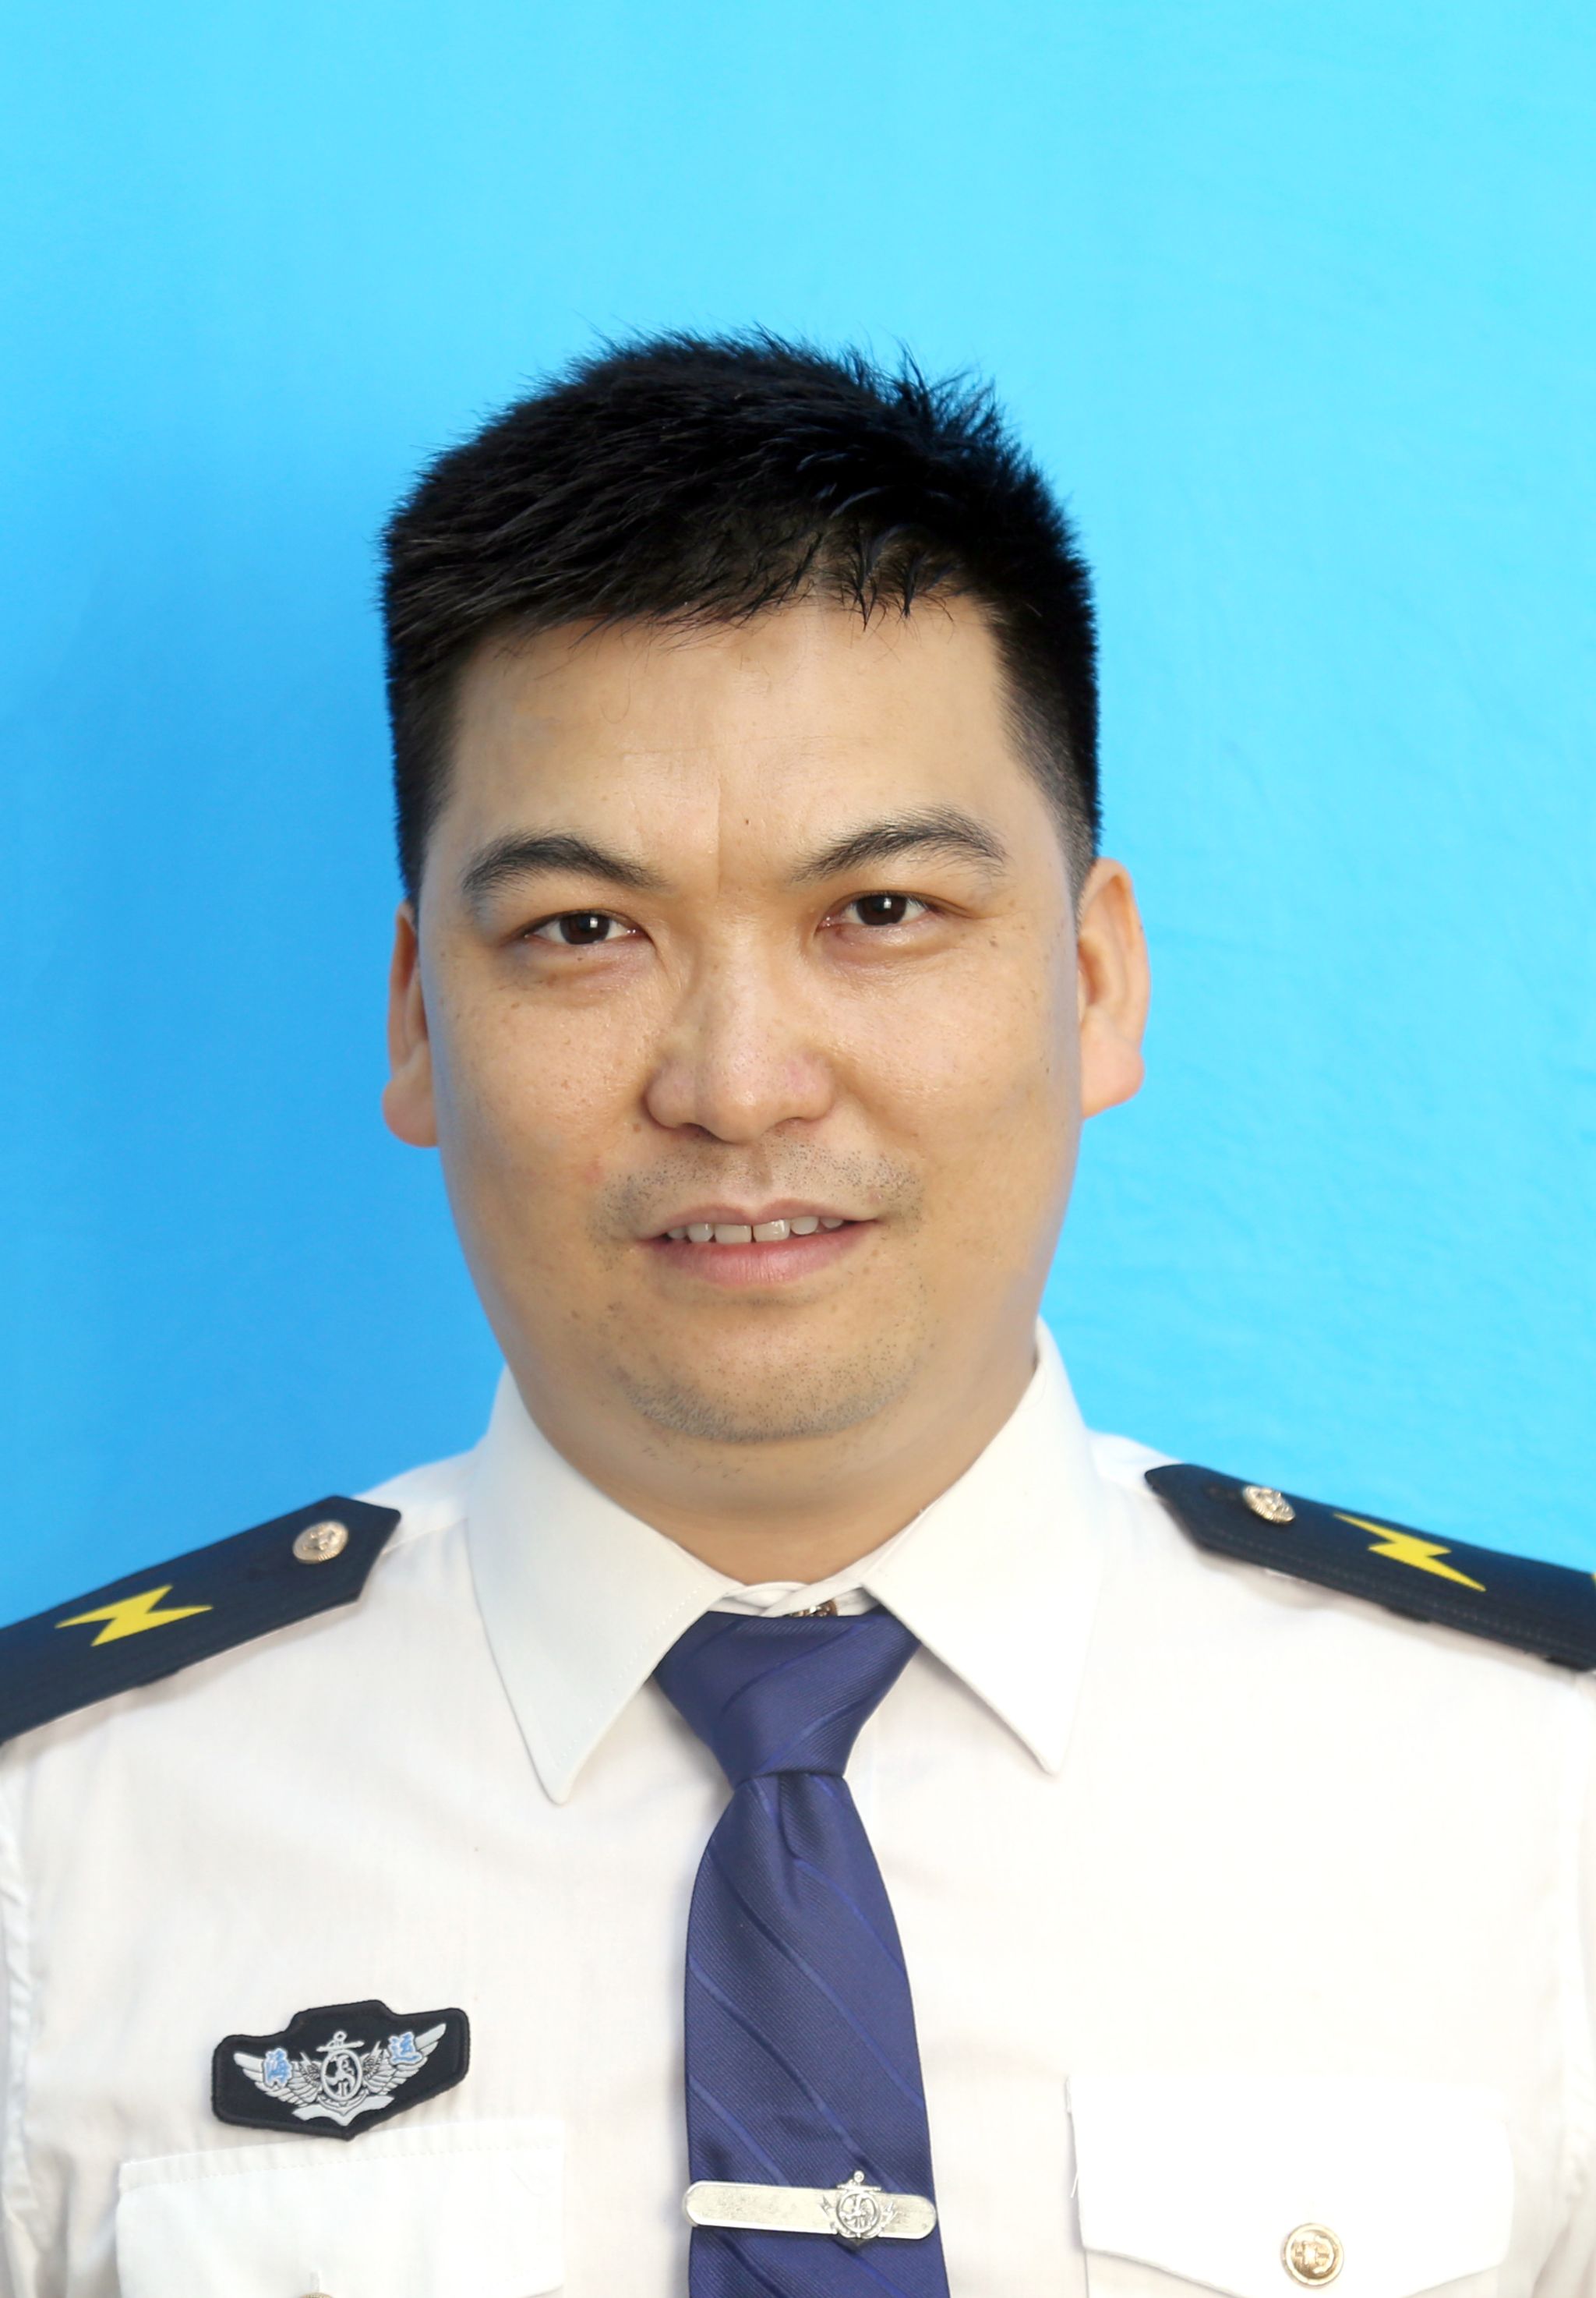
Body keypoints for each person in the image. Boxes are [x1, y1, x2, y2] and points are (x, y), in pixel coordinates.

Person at [1, 334, 1591, 2298]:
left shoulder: (1543, 1804)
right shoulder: (52, 1853)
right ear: (417, 1018)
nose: (739, 1085)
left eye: (882, 911)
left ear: (1095, 981)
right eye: (584, 930)